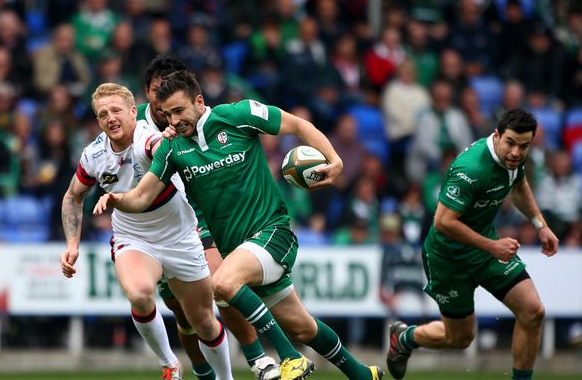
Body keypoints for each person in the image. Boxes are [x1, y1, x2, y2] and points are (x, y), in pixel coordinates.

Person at [95, 70, 384, 380]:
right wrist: (117, 199)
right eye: (167, 115)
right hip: (239, 249)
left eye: (179, 111)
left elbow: (298, 125)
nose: (174, 120)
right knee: (303, 326)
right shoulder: (171, 149)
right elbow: (141, 196)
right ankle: (363, 375)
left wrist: (334, 159)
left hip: (273, 232)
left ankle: (289, 357)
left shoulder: (238, 114)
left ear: (199, 101)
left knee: (221, 284)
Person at [59, 83, 234, 380]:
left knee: (203, 321)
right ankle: (170, 364)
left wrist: (165, 141)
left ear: (132, 111)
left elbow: (157, 146)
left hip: (180, 235)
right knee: (139, 294)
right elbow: (72, 196)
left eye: (116, 110)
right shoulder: (94, 154)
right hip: (134, 237)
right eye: (102, 114)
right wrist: (72, 244)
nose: (110, 118)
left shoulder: (148, 139)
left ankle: (225, 378)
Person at [385, 108, 559, 380]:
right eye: (511, 143)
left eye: (523, 146)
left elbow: (519, 184)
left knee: (533, 311)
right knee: (460, 338)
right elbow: (443, 222)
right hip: (448, 258)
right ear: (497, 135)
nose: (516, 152)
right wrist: (492, 247)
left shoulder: (514, 159)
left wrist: (541, 225)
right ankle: (406, 337)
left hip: (486, 249)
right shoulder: (472, 169)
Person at [140, 54, 279, 380]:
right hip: (159, 227)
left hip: (197, 217)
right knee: (184, 315)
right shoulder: (140, 128)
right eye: (158, 90)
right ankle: (204, 374)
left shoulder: (195, 119)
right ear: (147, 92)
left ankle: (257, 358)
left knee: (221, 284)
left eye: (171, 91)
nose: (165, 101)